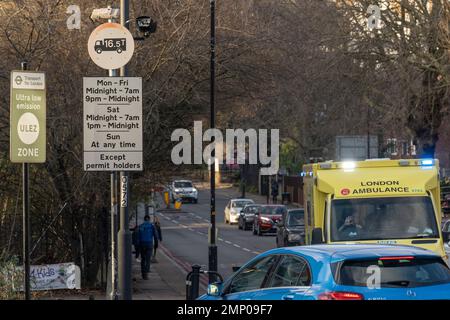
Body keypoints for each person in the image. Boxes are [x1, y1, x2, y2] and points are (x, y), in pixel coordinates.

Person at [138, 214, 159, 279]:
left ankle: (143, 273)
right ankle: (146, 273)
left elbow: (138, 236)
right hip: (149, 244)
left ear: (144, 219)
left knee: (143, 259)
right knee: (148, 259)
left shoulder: (140, 226)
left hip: (142, 244)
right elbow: (155, 236)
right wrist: (156, 244)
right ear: (149, 219)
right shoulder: (151, 226)